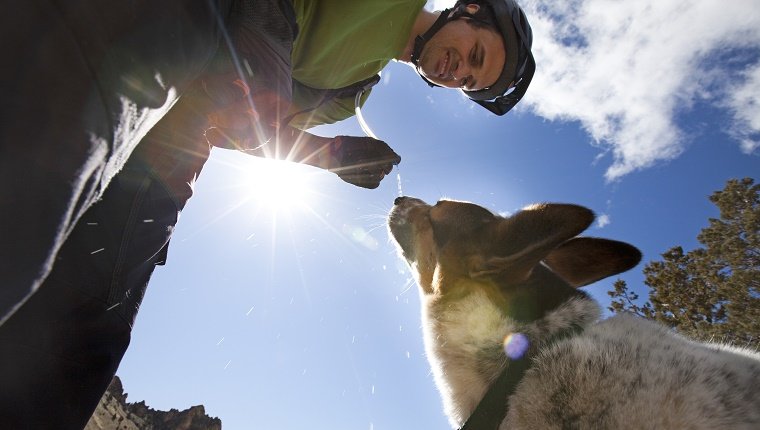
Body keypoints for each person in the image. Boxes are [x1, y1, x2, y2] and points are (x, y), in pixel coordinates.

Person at [0, 0, 536, 428]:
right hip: (166, 35)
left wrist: (330, 156)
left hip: (169, 159)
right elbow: (257, 49)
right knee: (37, 199)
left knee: (86, 339)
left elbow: (244, 126)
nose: (457, 70)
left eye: (468, 79)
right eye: (474, 54)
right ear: (469, 11)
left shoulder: (351, 93)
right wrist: (268, 30)